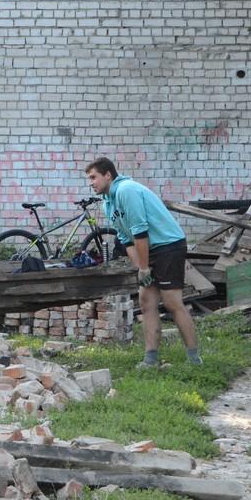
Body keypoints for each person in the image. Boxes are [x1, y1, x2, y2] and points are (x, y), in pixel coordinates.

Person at [85, 157, 202, 367]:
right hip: (148, 249)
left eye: (93, 177)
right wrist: (141, 268)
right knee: (146, 302)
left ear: (108, 175)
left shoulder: (126, 190)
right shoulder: (107, 204)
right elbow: (126, 239)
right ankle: (150, 360)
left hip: (168, 246)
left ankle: (194, 359)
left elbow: (140, 231)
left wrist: (145, 267)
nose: (91, 183)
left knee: (172, 302)